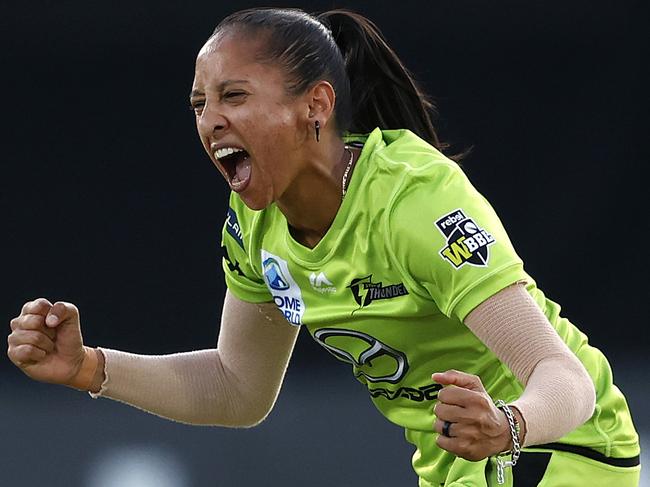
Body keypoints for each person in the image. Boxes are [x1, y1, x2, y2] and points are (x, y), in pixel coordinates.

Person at [7, 8, 641, 487]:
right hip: (459, 467)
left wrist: (509, 425)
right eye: (198, 104)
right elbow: (238, 388)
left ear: (315, 106)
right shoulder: (256, 226)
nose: (209, 121)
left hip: (559, 449)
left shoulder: (413, 203)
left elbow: (567, 379)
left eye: (233, 96)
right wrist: (90, 368)